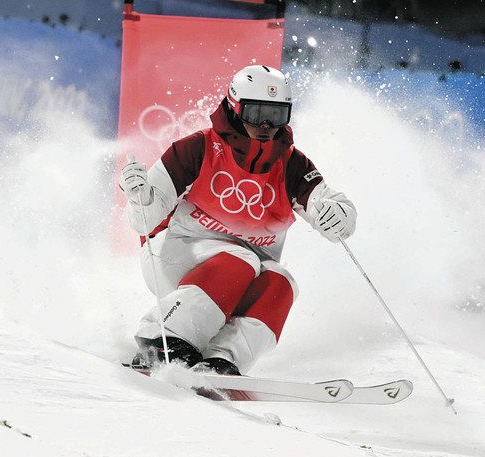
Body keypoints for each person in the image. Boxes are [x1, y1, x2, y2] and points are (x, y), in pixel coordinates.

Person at [119, 65, 356, 376]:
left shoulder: (292, 164)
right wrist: (140, 195)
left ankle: (223, 359)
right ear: (235, 107)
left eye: (278, 114)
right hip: (176, 254)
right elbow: (144, 219)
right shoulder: (198, 148)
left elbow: (332, 204)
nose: (267, 125)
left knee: (282, 282)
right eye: (257, 113)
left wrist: (339, 217)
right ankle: (162, 336)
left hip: (243, 274)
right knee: (240, 257)